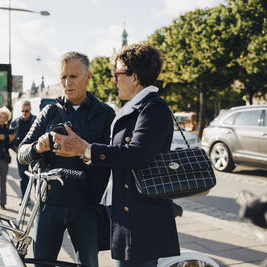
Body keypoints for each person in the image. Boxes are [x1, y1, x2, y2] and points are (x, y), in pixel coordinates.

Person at [51, 43, 180, 267]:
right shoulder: (135, 107)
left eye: (118, 74)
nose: (114, 80)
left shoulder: (153, 108)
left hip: (142, 220)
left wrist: (86, 149)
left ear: (135, 77)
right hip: (126, 215)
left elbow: (137, 155)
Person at [18, 51, 115, 267]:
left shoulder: (105, 114)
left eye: (73, 76)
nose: (67, 82)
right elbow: (22, 153)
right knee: (42, 263)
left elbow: (112, 158)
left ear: (88, 77)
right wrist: (38, 146)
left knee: (88, 263)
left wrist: (83, 151)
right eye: (63, 77)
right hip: (48, 203)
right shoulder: (49, 111)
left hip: (87, 204)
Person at [10, 100, 37, 205]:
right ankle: (25, 199)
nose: (24, 113)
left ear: (30, 110)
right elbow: (10, 139)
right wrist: (14, 148)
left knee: (36, 177)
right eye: (22, 111)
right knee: (23, 177)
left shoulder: (36, 120)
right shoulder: (15, 122)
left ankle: (38, 199)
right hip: (20, 153)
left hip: (34, 152)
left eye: (26, 111)